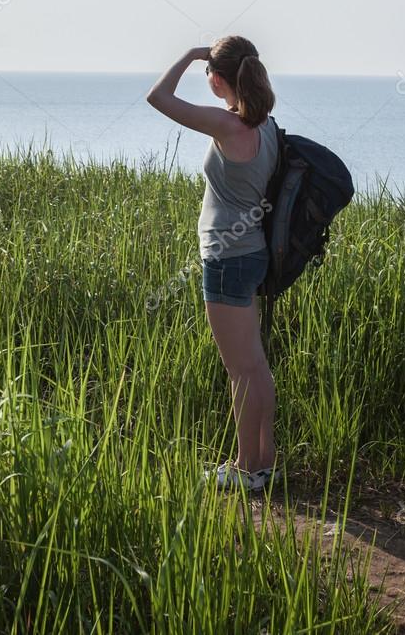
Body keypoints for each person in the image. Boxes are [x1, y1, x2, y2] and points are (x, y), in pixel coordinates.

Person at [147, 36, 279, 491]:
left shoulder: (228, 125)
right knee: (255, 365)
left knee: (240, 369)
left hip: (226, 258)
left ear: (218, 78)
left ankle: (245, 469)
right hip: (253, 253)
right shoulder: (266, 127)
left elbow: (158, 97)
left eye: (208, 71)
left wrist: (188, 53)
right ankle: (263, 462)